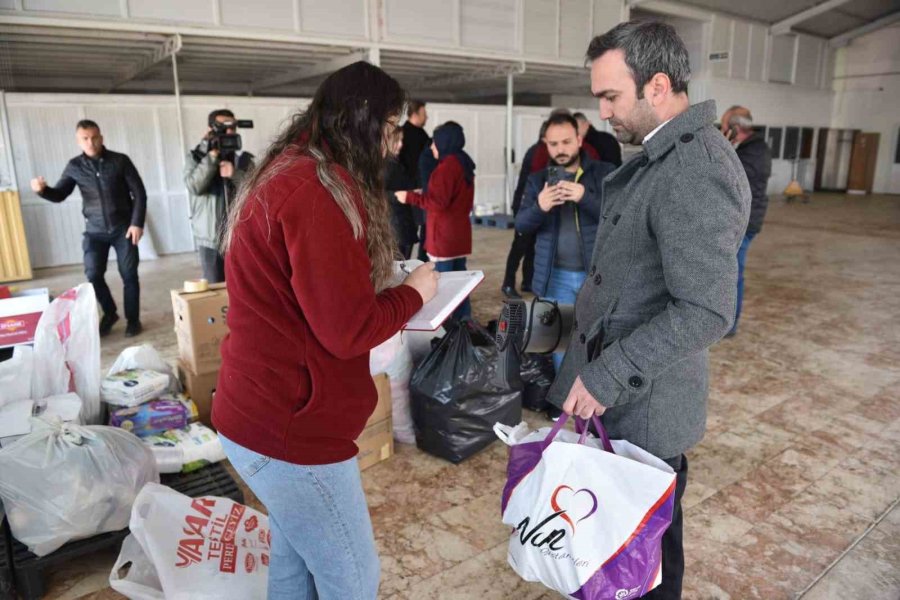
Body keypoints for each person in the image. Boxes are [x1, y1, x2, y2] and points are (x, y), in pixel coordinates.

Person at [212, 62, 438, 600]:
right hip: (290, 431)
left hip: (261, 413)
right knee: (352, 579)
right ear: (365, 123)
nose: (392, 146)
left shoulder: (293, 170)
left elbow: (317, 299)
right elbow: (346, 330)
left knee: (294, 565)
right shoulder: (318, 192)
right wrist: (415, 295)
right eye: (390, 129)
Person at [548, 21, 750, 599]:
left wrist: (608, 371)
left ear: (657, 85)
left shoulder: (694, 169)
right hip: (621, 399)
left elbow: (707, 309)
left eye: (612, 96)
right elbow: (635, 279)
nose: (604, 111)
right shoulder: (664, 157)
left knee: (648, 563)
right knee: (622, 549)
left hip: (644, 410)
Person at [515, 111, 614, 377]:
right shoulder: (538, 180)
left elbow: (619, 217)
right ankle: (565, 399)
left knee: (597, 339)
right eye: (553, 144)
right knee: (559, 343)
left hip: (595, 275)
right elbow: (522, 225)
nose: (560, 149)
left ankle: (595, 397)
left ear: (579, 140)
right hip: (553, 276)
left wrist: (586, 197)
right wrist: (540, 206)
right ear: (545, 144)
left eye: (566, 142)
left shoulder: (604, 174)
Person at [30, 119, 147, 337]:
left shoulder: (120, 161)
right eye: (85, 139)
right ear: (78, 141)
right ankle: (110, 313)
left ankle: (133, 320)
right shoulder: (75, 166)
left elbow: (139, 193)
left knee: (129, 275)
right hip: (95, 231)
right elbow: (60, 194)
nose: (90, 142)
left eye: (94, 137)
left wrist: (136, 223)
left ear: (101, 138)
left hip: (124, 229)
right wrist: (42, 190)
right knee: (93, 274)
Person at [396, 121, 475, 321]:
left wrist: (409, 198)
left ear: (444, 142)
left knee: (443, 285)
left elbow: (438, 204)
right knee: (459, 282)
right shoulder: (464, 162)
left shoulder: (446, 168)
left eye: (435, 142)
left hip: (444, 238)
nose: (432, 147)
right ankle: (463, 323)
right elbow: (450, 196)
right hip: (459, 236)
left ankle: (447, 329)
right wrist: (425, 192)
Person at [184, 109, 255, 283]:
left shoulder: (243, 160)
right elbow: (194, 186)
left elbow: (255, 192)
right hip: (210, 237)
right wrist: (212, 156)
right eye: (223, 127)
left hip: (239, 236)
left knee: (242, 285)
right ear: (210, 129)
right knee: (215, 287)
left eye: (232, 127)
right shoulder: (196, 157)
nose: (229, 131)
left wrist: (235, 174)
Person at [720, 106, 772, 337]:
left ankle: (729, 326)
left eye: (723, 127)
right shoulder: (750, 148)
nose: (721, 131)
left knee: (732, 273)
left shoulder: (754, 152)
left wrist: (723, 148)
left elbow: (729, 179)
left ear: (735, 128)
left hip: (744, 223)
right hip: (743, 219)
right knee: (730, 272)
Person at [398, 100, 431, 261]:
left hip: (418, 190)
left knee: (423, 230)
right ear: (415, 114)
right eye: (424, 114)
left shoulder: (421, 135)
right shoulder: (403, 135)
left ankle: (420, 264)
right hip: (411, 192)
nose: (427, 117)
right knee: (409, 234)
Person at [385, 129, 418, 259]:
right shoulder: (384, 166)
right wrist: (395, 195)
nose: (400, 144)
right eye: (396, 141)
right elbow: (372, 194)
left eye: (401, 141)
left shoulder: (396, 163)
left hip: (402, 225)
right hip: (395, 228)